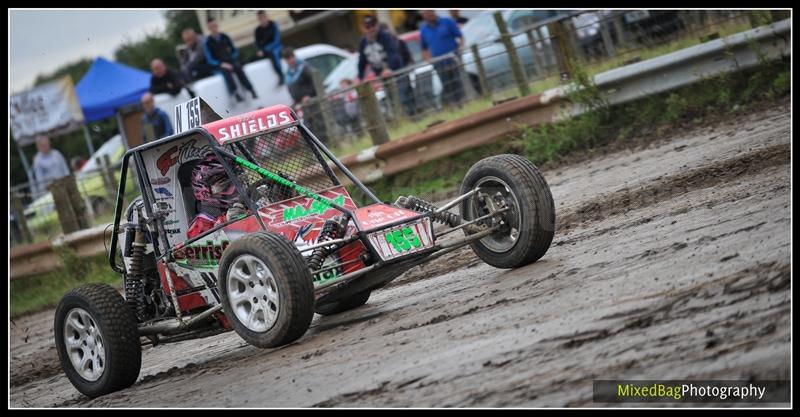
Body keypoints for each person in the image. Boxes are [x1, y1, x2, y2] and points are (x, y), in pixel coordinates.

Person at [357, 16, 416, 116]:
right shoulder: (363, 43)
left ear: (377, 25)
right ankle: (400, 119)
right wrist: (360, 77)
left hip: (397, 73)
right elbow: (362, 61)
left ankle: (412, 116)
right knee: (391, 99)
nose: (370, 29)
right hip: (383, 77)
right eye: (367, 27)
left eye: (372, 26)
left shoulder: (385, 36)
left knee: (404, 97)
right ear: (364, 28)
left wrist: (389, 69)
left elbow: (393, 54)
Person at [187, 153, 245, 239]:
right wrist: (227, 222)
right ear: (204, 192)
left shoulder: (243, 205)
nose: (235, 188)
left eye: (237, 180)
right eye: (226, 185)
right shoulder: (200, 225)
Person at [203, 17, 258, 103]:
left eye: (214, 25)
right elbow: (209, 59)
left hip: (231, 61)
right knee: (226, 72)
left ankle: (251, 89)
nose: (214, 28)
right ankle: (235, 93)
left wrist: (232, 59)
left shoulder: (225, 37)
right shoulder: (207, 42)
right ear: (209, 28)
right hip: (220, 65)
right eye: (211, 27)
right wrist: (220, 64)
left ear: (217, 25)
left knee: (238, 68)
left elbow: (235, 51)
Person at [420, 10, 465, 106]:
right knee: (447, 85)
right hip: (438, 63)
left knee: (457, 82)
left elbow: (460, 36)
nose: (429, 14)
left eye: (430, 12)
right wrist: (429, 60)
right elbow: (424, 48)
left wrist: (460, 50)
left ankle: (463, 102)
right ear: (423, 16)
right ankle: (454, 105)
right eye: (426, 13)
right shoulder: (424, 30)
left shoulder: (447, 22)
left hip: (452, 59)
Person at [283, 47, 326, 138]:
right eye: (287, 59)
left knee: (318, 121)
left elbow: (315, 82)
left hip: (310, 100)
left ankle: (325, 140)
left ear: (293, 56)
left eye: (290, 58)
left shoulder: (304, 67)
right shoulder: (289, 72)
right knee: (307, 124)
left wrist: (309, 95)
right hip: (300, 103)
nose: (289, 61)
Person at [254, 10, 284, 85]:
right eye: (260, 18)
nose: (262, 19)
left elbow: (277, 40)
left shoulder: (273, 25)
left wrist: (264, 50)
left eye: (263, 17)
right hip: (264, 51)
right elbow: (257, 43)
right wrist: (259, 51)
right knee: (252, 59)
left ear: (266, 17)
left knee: (274, 54)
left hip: (276, 48)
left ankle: (281, 75)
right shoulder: (257, 30)